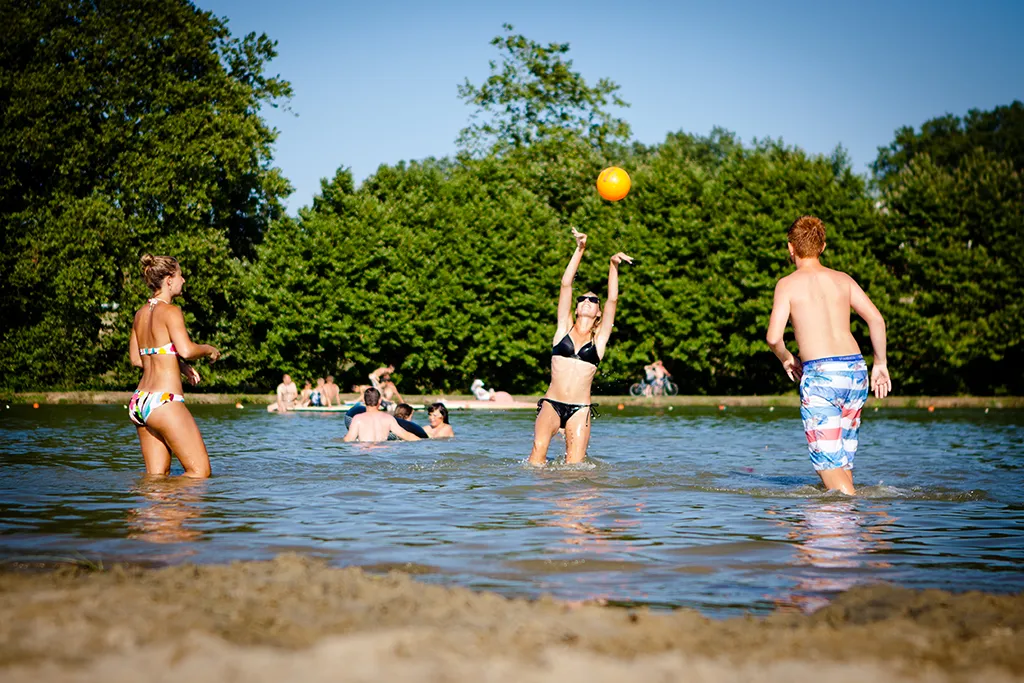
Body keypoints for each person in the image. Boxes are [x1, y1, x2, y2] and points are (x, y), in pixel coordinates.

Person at [766, 215, 892, 495]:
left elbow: (774, 337)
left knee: (827, 463)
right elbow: (876, 320)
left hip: (822, 376)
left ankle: (858, 511)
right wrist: (880, 363)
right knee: (842, 460)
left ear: (790, 248)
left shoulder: (787, 284)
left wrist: (787, 357)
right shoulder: (843, 280)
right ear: (822, 246)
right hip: (855, 372)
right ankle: (844, 536)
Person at [528, 227, 632, 465]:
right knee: (537, 452)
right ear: (576, 308)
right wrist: (580, 248)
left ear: (598, 312)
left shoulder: (600, 340)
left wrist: (613, 265)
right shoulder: (563, 328)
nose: (586, 301)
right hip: (552, 404)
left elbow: (613, 300)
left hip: (580, 409)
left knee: (575, 465)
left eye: (593, 300)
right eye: (582, 299)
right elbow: (566, 285)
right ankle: (536, 499)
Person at [128, 254, 220, 478]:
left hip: (140, 402)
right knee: (199, 473)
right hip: (164, 401)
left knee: (157, 478)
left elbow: (138, 359)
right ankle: (178, 513)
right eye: (180, 275)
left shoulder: (140, 314)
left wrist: (179, 366)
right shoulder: (171, 311)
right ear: (169, 279)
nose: (184, 280)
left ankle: (151, 513)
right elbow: (187, 350)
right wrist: (209, 349)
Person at [343, 388, 420, 442]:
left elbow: (349, 440)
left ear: (364, 401)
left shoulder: (357, 419)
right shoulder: (388, 419)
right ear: (380, 400)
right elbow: (406, 435)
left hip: (365, 457)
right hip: (383, 455)